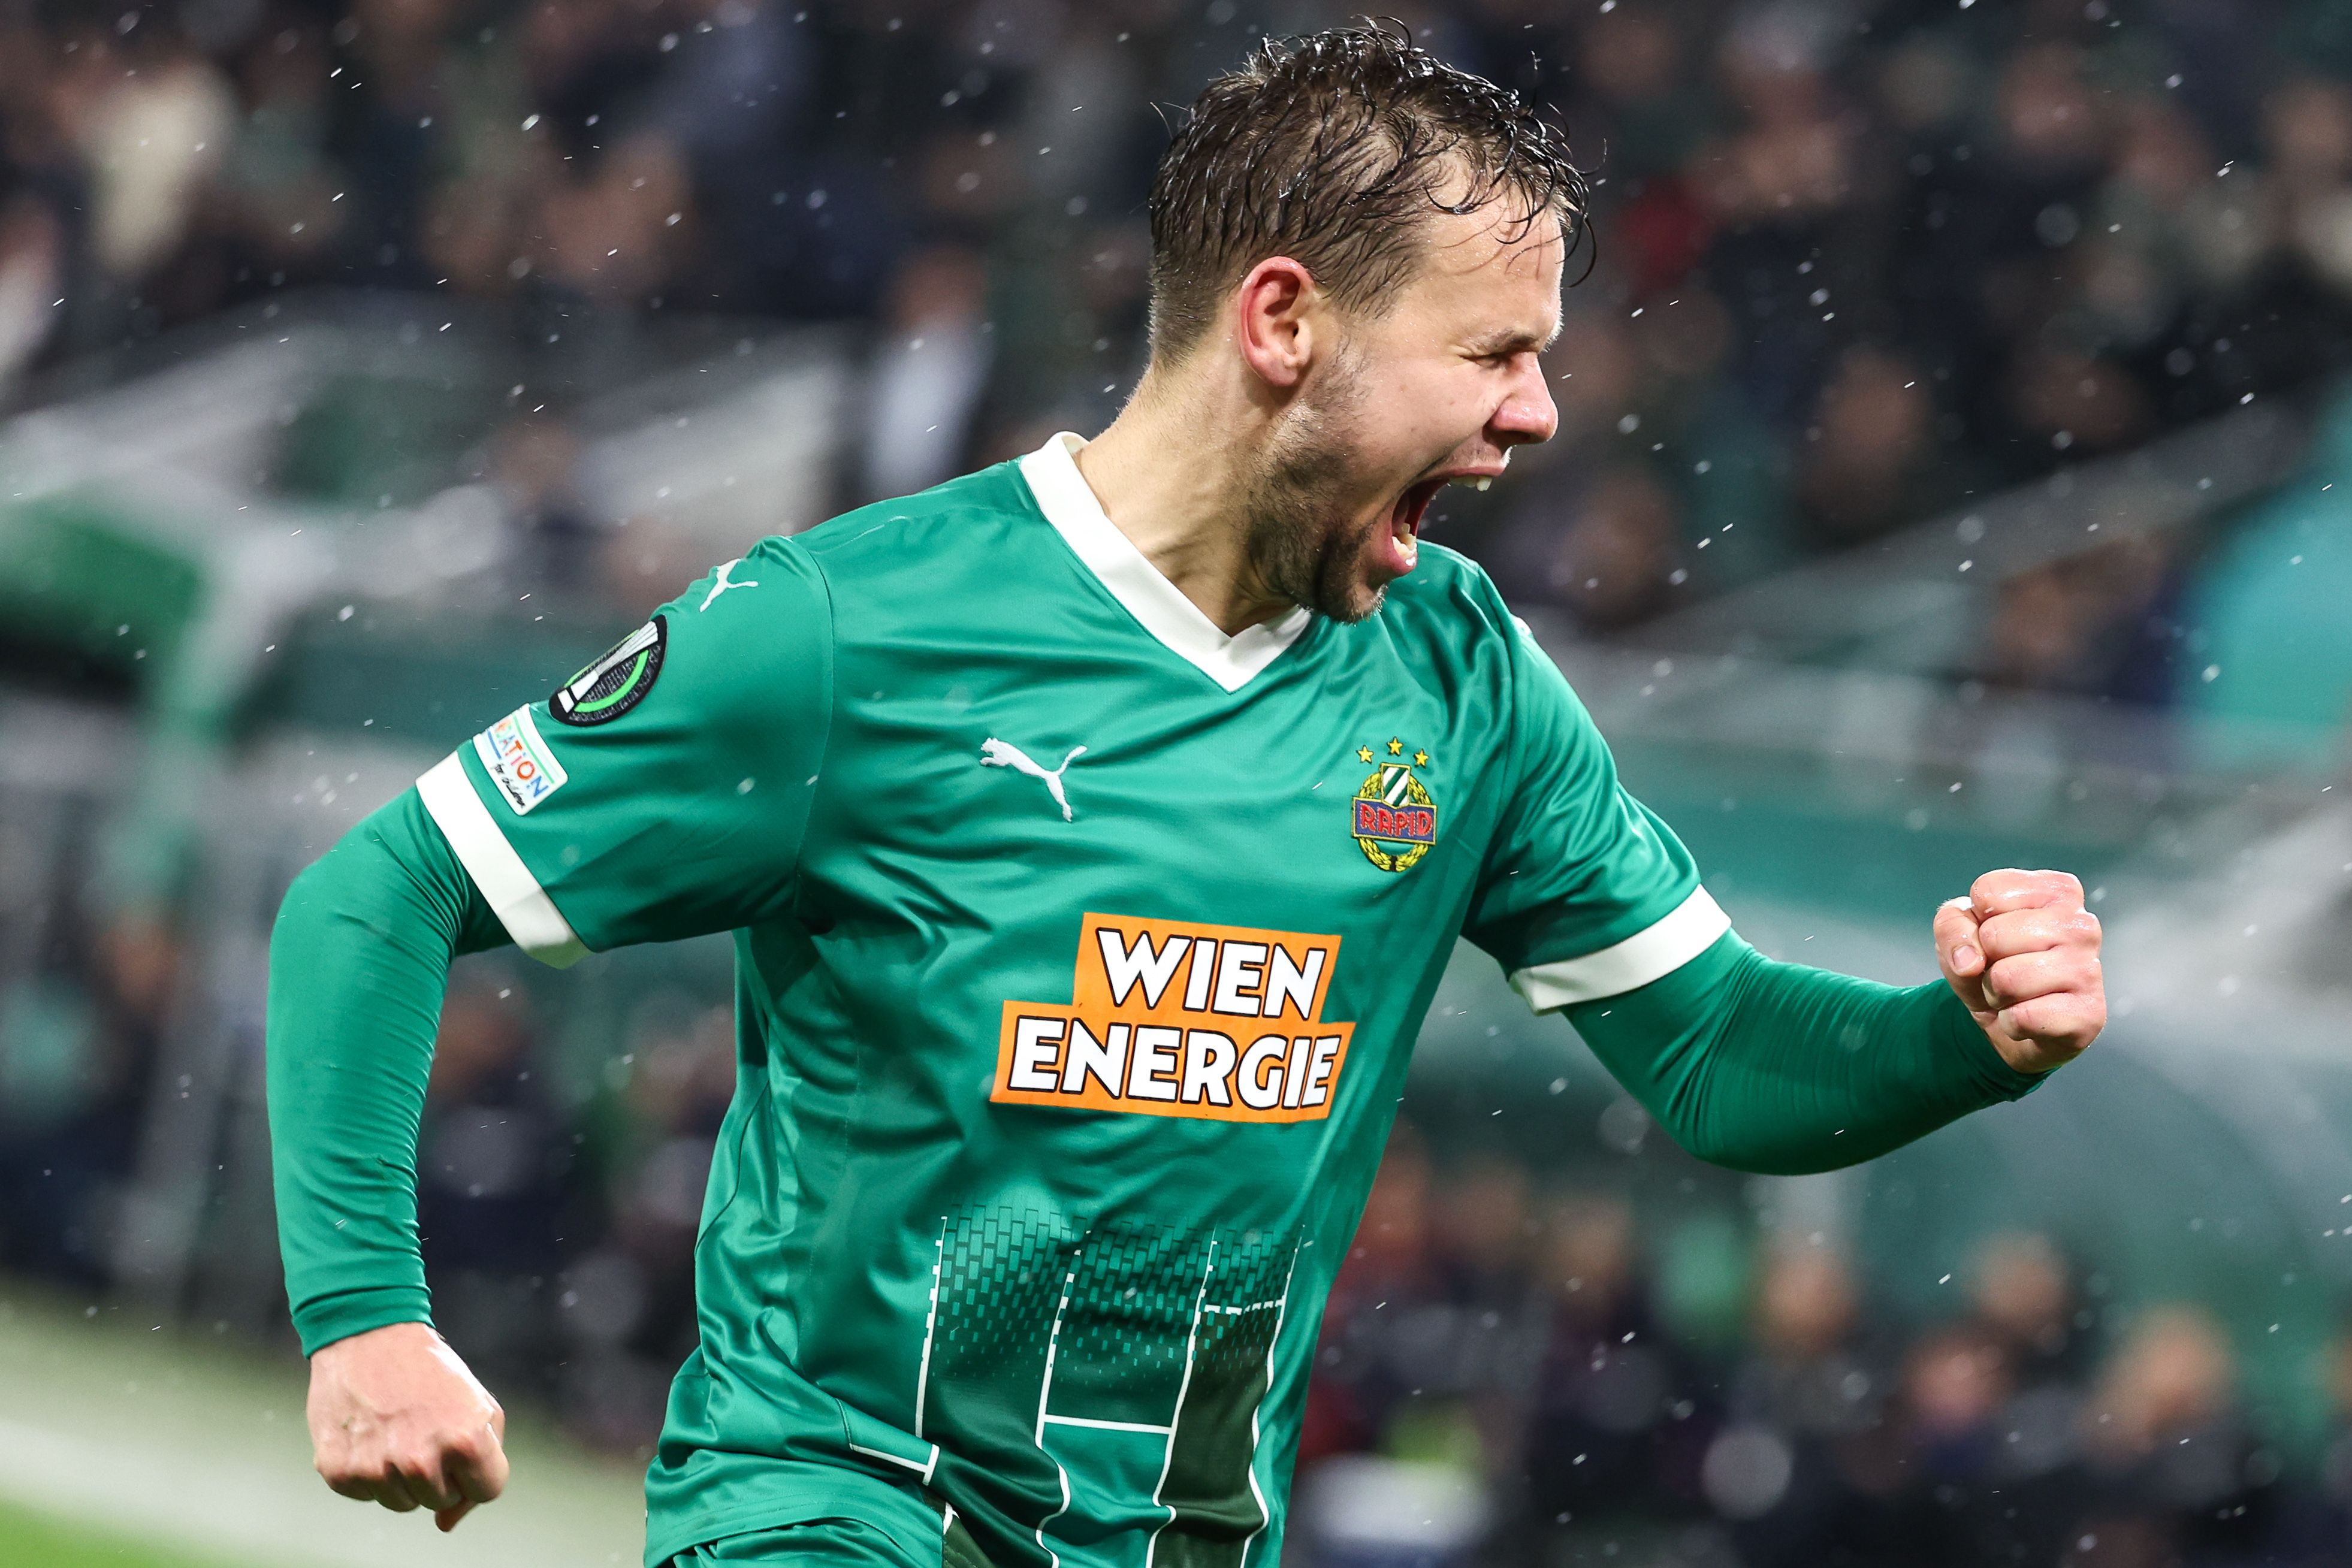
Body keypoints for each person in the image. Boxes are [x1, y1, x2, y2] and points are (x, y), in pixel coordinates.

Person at [264, 24, 2108, 1568]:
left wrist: (1958, 1037)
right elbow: (381, 885)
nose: (1542, 413)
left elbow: (1714, 1048)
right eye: (1494, 352)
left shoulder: (1463, 686)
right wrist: (366, 1314)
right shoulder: (854, 632)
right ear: (1285, 320)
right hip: (835, 1505)